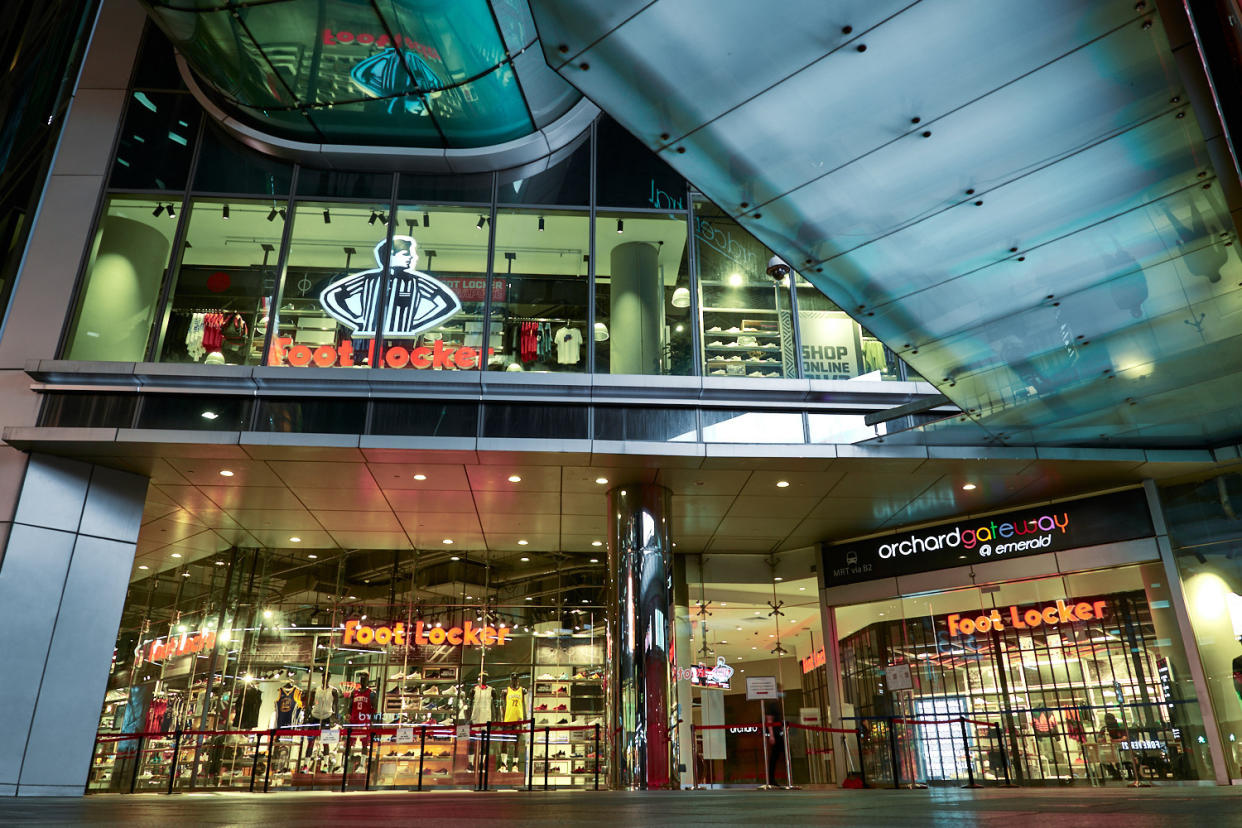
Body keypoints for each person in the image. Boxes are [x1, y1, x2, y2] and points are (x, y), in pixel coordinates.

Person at [320, 235, 461, 340]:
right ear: (389, 256)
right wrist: (356, 320)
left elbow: (449, 303)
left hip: (404, 341)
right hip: (369, 337)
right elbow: (332, 296)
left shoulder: (416, 282)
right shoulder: (368, 280)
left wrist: (418, 325)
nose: (413, 257)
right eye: (407, 253)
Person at [764, 710, 785, 787]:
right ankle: (771, 779)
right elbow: (769, 720)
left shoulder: (776, 705)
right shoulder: (772, 705)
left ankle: (772, 778)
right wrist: (771, 735)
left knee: (775, 757)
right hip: (776, 735)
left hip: (777, 734)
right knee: (774, 757)